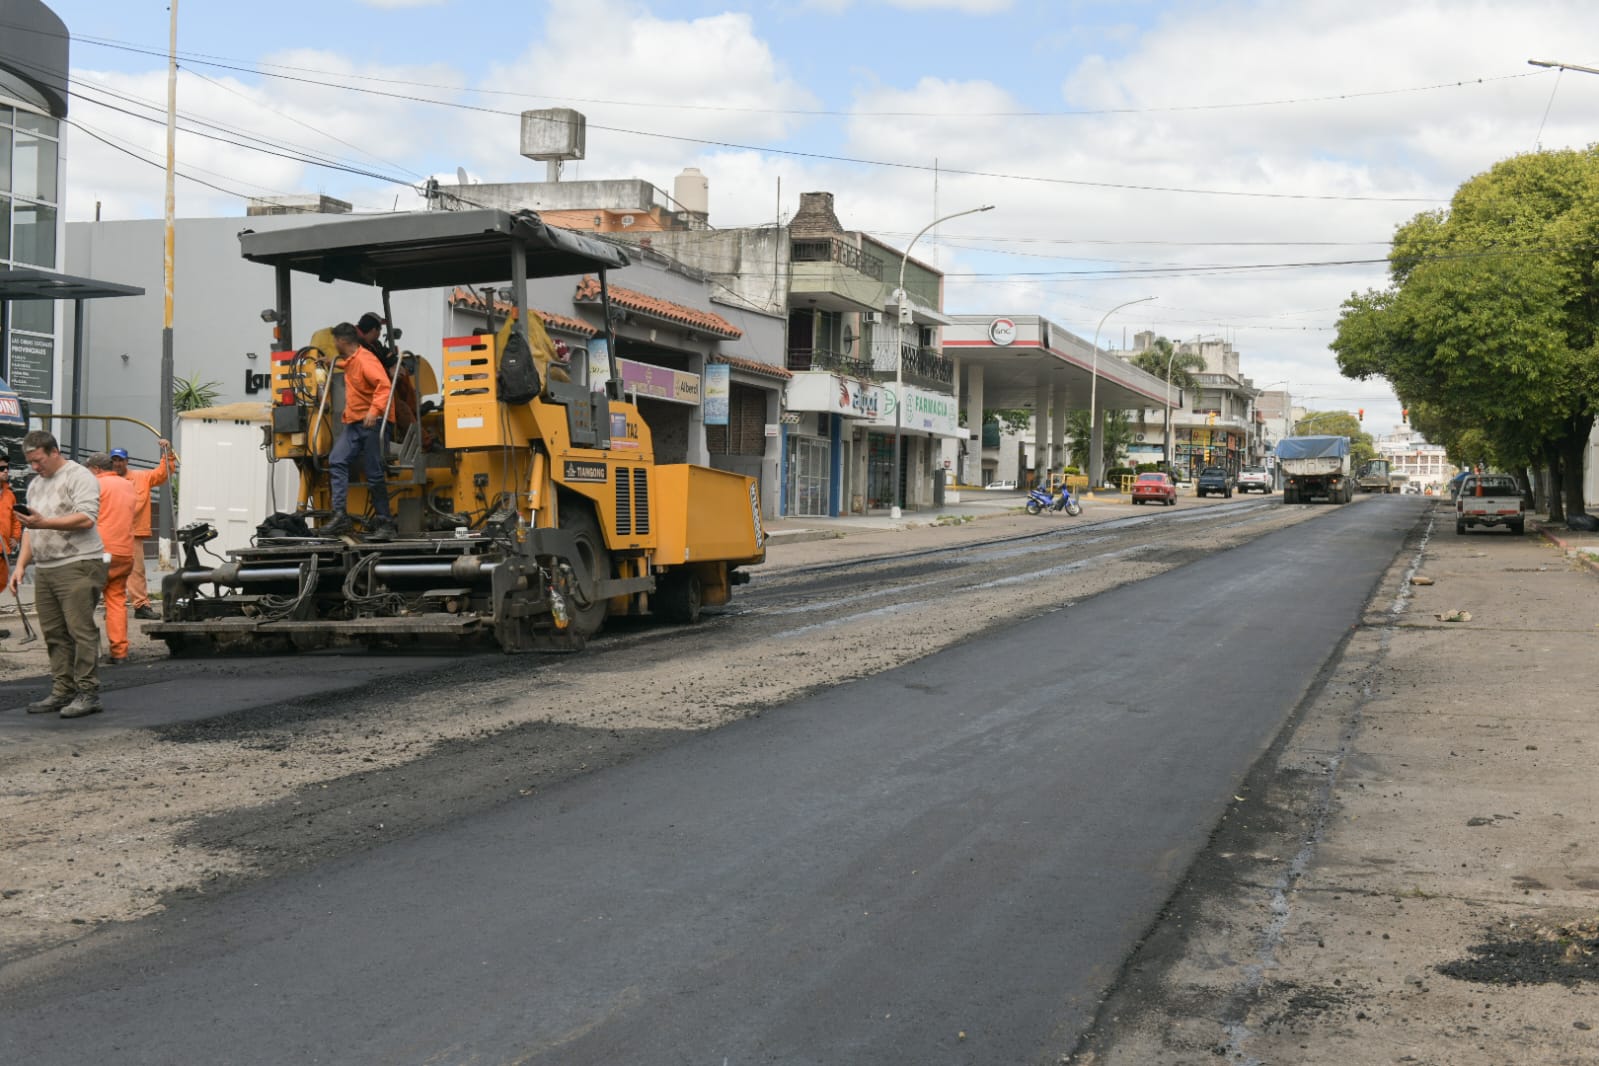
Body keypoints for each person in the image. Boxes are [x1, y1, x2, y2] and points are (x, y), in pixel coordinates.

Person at [8, 430, 107, 718]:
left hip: (79, 563)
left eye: (38, 460)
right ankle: (62, 690)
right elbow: (30, 528)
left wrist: (45, 522)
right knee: (53, 632)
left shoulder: (79, 476)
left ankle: (88, 693)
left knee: (80, 630)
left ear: (54, 452)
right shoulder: (36, 485)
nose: (35, 467)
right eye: (30, 462)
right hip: (47, 567)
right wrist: (22, 566)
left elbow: (87, 518)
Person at [324, 321, 395, 539]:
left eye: (335, 341)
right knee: (337, 460)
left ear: (341, 341)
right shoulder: (353, 360)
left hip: (373, 423)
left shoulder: (366, 360)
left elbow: (383, 385)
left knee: (374, 473)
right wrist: (332, 364)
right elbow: (351, 367)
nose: (334, 344)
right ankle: (340, 515)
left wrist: (374, 412)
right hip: (355, 423)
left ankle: (385, 522)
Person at [111, 438, 178, 620]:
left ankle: (141, 606)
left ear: (127, 461)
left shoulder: (141, 477)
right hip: (109, 536)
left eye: (120, 460)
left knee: (137, 571)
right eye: (114, 460)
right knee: (106, 570)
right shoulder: (106, 481)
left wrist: (168, 453)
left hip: (133, 535)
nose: (117, 463)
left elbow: (164, 473)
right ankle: (110, 606)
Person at [86, 453, 137, 665]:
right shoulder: (127, 485)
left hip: (99, 550)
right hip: (124, 551)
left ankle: (87, 654)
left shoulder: (95, 485)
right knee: (116, 600)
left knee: (83, 600)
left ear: (96, 469)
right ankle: (119, 652)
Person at [0, 455, 19, 640]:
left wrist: (15, 537)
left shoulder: (9, 494)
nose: (6, 471)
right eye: (2, 468)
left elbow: (15, 519)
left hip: (3, 551)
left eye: (7, 468)